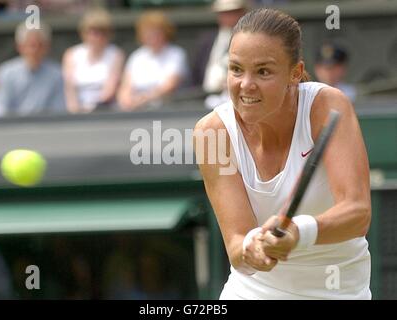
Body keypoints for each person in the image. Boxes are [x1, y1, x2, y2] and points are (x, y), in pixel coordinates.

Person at [194, 8, 371, 299]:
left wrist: (298, 232)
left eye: (263, 71)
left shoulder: (326, 106)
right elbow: (235, 243)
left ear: (295, 73)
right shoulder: (212, 132)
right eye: (236, 69)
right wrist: (252, 247)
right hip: (251, 293)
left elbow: (357, 213)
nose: (245, 84)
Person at [117, 10, 188, 111]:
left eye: (156, 32)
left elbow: (170, 86)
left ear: (165, 32)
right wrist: (126, 101)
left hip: (168, 110)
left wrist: (143, 99)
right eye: (147, 32)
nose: (151, 36)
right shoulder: (136, 56)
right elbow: (125, 87)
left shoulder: (176, 54)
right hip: (136, 111)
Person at [0, 21, 66, 116]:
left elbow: (58, 110)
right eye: (31, 45)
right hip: (12, 127)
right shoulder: (6, 72)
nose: (35, 50)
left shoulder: (57, 74)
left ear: (47, 47)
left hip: (47, 127)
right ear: (20, 47)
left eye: (40, 45)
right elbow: (1, 108)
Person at [62, 9, 125, 113]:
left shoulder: (116, 55)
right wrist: (74, 111)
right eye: (92, 32)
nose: (97, 37)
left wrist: (92, 110)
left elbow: (109, 91)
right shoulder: (71, 54)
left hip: (105, 111)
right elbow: (69, 90)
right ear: (84, 33)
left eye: (102, 32)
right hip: (77, 112)